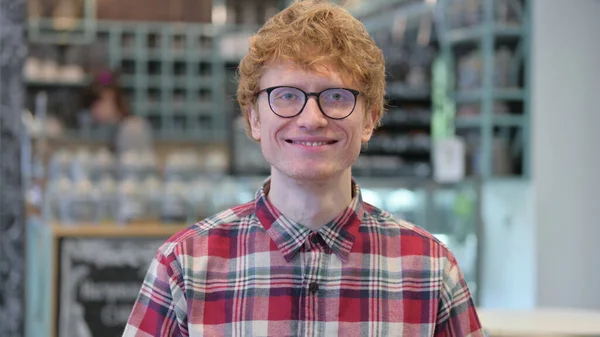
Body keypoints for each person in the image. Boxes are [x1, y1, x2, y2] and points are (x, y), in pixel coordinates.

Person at [123, 1, 483, 336]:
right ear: (254, 119)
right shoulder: (184, 269)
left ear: (371, 119)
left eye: (337, 96)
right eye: (287, 96)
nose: (311, 119)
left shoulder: (430, 271)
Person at [82, 69, 153, 155]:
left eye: (95, 104)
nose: (93, 111)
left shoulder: (132, 128)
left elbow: (133, 165)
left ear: (111, 97)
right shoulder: (117, 127)